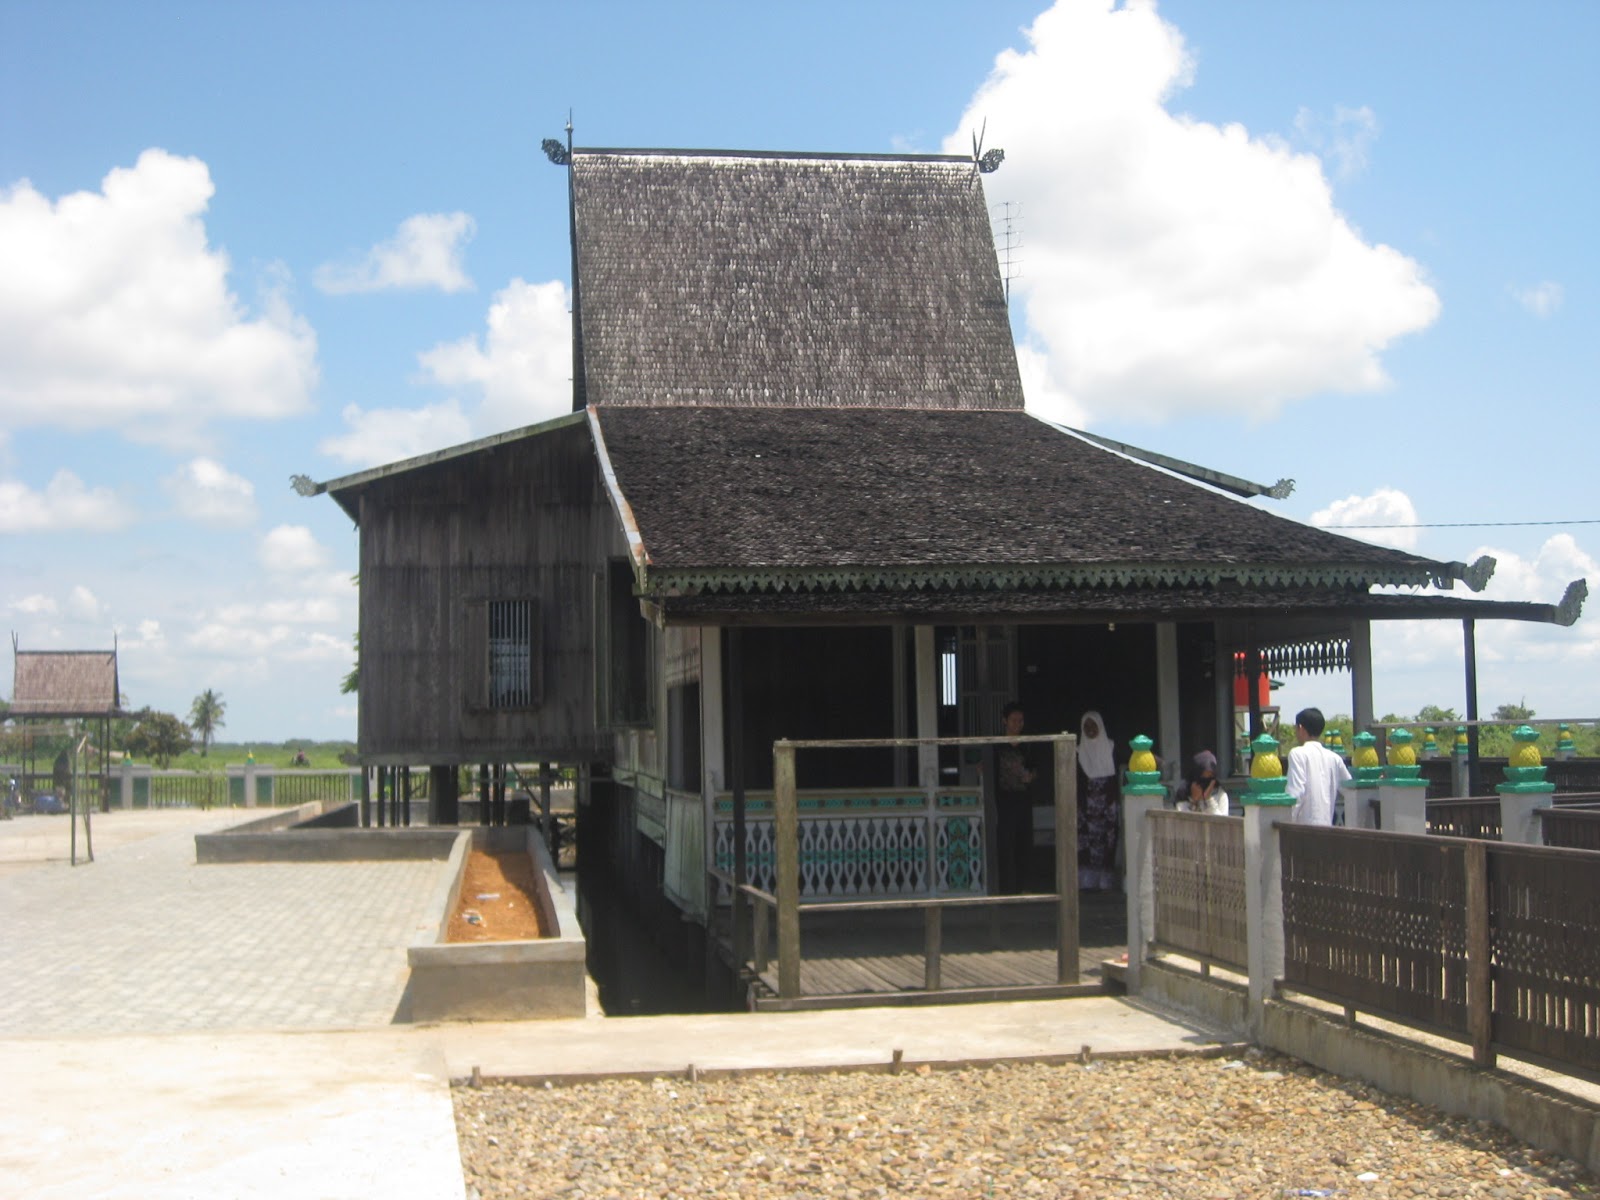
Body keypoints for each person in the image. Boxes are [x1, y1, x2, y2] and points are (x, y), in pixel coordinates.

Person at [994, 701, 1036, 894]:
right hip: (1003, 800)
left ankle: (1020, 886)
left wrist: (1031, 775)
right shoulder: (996, 744)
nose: (1017, 724)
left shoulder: (1027, 745)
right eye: (1013, 720)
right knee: (1004, 843)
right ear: (1005, 721)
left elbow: (1035, 768)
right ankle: (1005, 887)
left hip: (1023, 799)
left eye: (1020, 721)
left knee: (1023, 843)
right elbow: (987, 766)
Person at [1077, 710, 1120, 891]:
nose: (1090, 729)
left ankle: (1105, 882)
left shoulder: (1110, 747)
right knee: (1086, 842)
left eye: (1093, 725)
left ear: (1100, 726)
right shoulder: (1079, 751)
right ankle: (1088, 881)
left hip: (1107, 806)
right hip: (1086, 808)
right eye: (1086, 726)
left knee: (1108, 841)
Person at [1285, 707, 1351, 825]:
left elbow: (1296, 792)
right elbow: (1350, 789)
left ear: (1300, 728)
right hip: (1327, 826)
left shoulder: (1297, 754)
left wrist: (1286, 821)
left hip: (1303, 828)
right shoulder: (1335, 758)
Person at [1178, 750, 1230, 815]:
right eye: (1203, 776)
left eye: (1211, 776)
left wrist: (1209, 799)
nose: (1206, 781)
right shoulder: (1184, 793)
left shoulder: (1220, 794)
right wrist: (1194, 801)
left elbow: (1222, 822)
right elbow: (1181, 819)